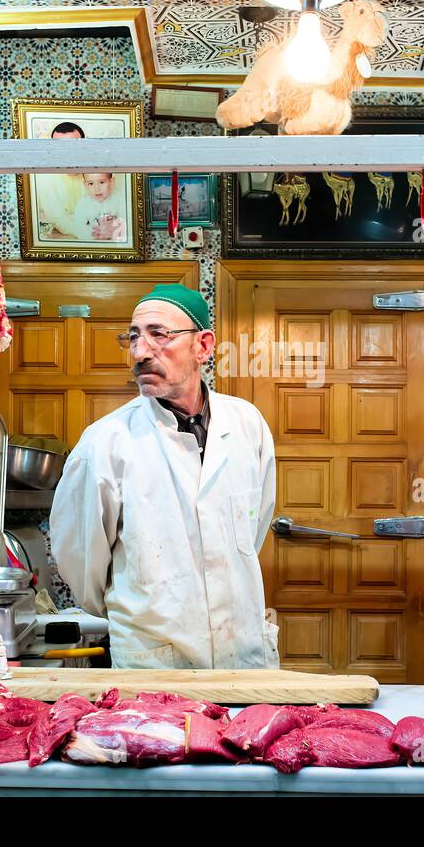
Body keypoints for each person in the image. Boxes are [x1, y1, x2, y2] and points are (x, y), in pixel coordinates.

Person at [48, 284, 280, 669]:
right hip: (153, 663)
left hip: (243, 653)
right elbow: (82, 563)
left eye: (159, 335)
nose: (140, 352)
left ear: (203, 346)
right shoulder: (106, 442)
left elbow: (254, 531)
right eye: (134, 337)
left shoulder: (247, 425)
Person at [34, 121, 87, 239]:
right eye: (60, 148)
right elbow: (59, 218)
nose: (67, 154)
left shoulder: (97, 172)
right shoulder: (44, 176)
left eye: (73, 148)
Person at [70, 172, 127, 242]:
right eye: (91, 183)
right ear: (85, 185)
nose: (97, 189)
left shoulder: (119, 199)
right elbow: (79, 229)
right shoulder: (82, 204)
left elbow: (127, 222)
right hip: (94, 243)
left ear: (111, 182)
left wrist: (116, 231)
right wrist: (96, 236)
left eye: (102, 182)